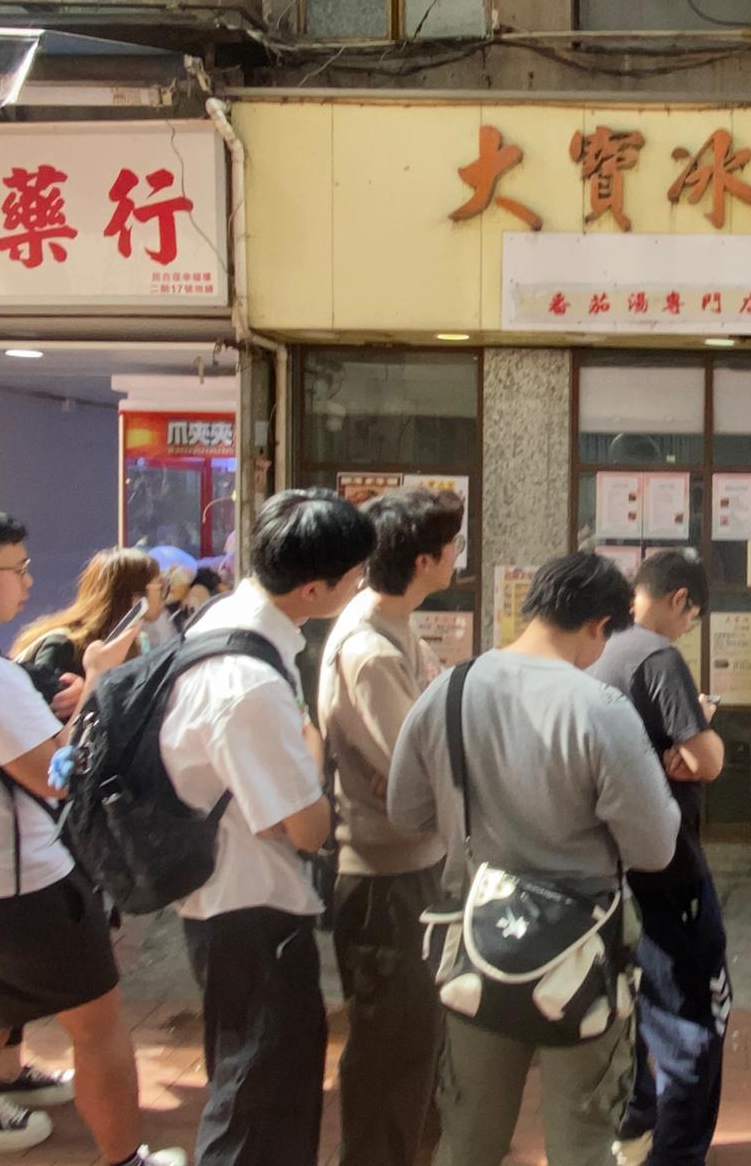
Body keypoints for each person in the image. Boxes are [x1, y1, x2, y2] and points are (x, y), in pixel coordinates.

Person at [388, 552, 681, 1166]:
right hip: (581, 957)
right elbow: (655, 849)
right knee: (582, 1142)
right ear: (599, 626)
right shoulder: (600, 709)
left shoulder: (451, 688)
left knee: (467, 1138)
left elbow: (405, 811)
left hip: (477, 944)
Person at [0, 509, 184, 1166]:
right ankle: (123, 1158)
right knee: (99, 1031)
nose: (29, 583)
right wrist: (95, 685)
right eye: (18, 569)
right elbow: (64, 778)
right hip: (20, 887)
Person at [159, 489, 375, 1166]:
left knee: (261, 1082)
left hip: (230, 901)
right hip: (250, 910)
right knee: (259, 1096)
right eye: (354, 576)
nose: (361, 584)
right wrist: (312, 760)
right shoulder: (247, 681)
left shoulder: (228, 619)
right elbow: (305, 826)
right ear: (315, 588)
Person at [317, 486, 463, 1166]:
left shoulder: (391, 624)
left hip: (411, 863)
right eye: (454, 546)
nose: (460, 555)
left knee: (415, 1040)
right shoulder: (370, 648)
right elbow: (419, 767)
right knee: (390, 1047)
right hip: (384, 876)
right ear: (428, 559)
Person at [589, 551, 728, 1166]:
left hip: (608, 863)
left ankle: (634, 1120)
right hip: (668, 864)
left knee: (629, 999)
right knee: (693, 1014)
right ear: (678, 599)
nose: (686, 629)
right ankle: (677, 1153)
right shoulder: (657, 655)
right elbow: (705, 761)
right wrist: (703, 729)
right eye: (691, 617)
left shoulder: (600, 646)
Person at [12, 548, 164, 678]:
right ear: (136, 597)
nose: (166, 595)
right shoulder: (63, 646)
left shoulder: (134, 644)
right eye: (161, 587)